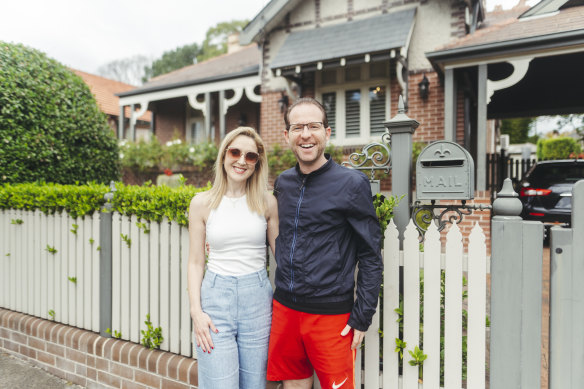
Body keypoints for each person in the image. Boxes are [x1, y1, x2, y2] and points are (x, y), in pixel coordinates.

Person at [267, 98, 383, 389]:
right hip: (285, 308)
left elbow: (370, 254)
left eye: (313, 126)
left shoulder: (351, 184)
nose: (305, 134)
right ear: (287, 136)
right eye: (297, 127)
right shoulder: (283, 183)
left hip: (331, 314)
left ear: (327, 133)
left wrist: (362, 315)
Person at [187, 126, 278, 389]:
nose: (241, 161)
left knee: (256, 385)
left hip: (258, 301)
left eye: (250, 156)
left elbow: (283, 259)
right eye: (235, 152)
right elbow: (195, 262)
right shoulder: (201, 203)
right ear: (224, 155)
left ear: (257, 163)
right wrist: (197, 312)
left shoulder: (267, 203)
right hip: (215, 301)